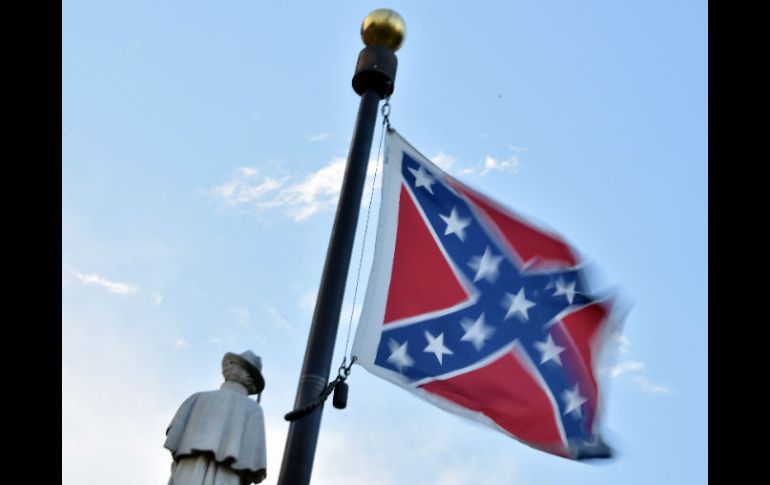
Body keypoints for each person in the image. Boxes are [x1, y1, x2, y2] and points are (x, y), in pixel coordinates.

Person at [164, 351, 267, 485]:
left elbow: (174, 440)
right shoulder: (253, 410)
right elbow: (255, 468)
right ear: (250, 379)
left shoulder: (195, 399)